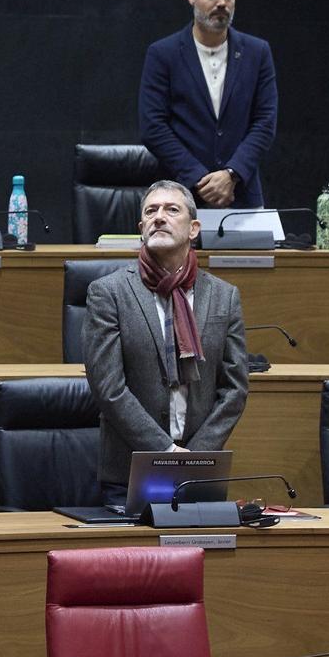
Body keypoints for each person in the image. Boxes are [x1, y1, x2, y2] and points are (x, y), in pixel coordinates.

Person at [83, 181, 249, 505]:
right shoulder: (108, 293)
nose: (159, 217)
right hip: (129, 471)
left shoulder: (224, 296)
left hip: (200, 471)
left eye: (172, 210)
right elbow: (108, 387)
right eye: (150, 211)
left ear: (194, 229)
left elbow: (235, 388)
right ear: (141, 229)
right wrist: (165, 452)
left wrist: (195, 458)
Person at [137, 0, 278, 210]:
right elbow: (153, 126)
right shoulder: (163, 54)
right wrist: (199, 177)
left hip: (241, 195)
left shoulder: (257, 52)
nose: (222, 2)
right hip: (180, 195)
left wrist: (232, 174)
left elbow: (265, 122)